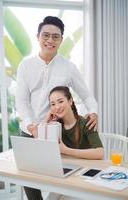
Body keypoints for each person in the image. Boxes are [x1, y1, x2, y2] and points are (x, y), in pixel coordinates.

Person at [16, 16, 99, 200]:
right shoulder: (25, 66)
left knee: (63, 182)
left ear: (61, 39)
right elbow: (21, 101)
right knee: (31, 186)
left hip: (56, 135)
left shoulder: (69, 67)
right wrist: (32, 126)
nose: (50, 40)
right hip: (29, 134)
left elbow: (86, 95)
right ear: (38, 37)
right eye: (46, 35)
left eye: (56, 36)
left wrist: (94, 111)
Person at [42, 86, 104, 200]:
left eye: (60, 101)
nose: (57, 107)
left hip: (86, 176)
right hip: (66, 175)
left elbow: (100, 153)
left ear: (70, 101)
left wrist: (66, 150)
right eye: (53, 104)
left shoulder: (87, 123)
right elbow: (42, 149)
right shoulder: (55, 125)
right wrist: (46, 120)